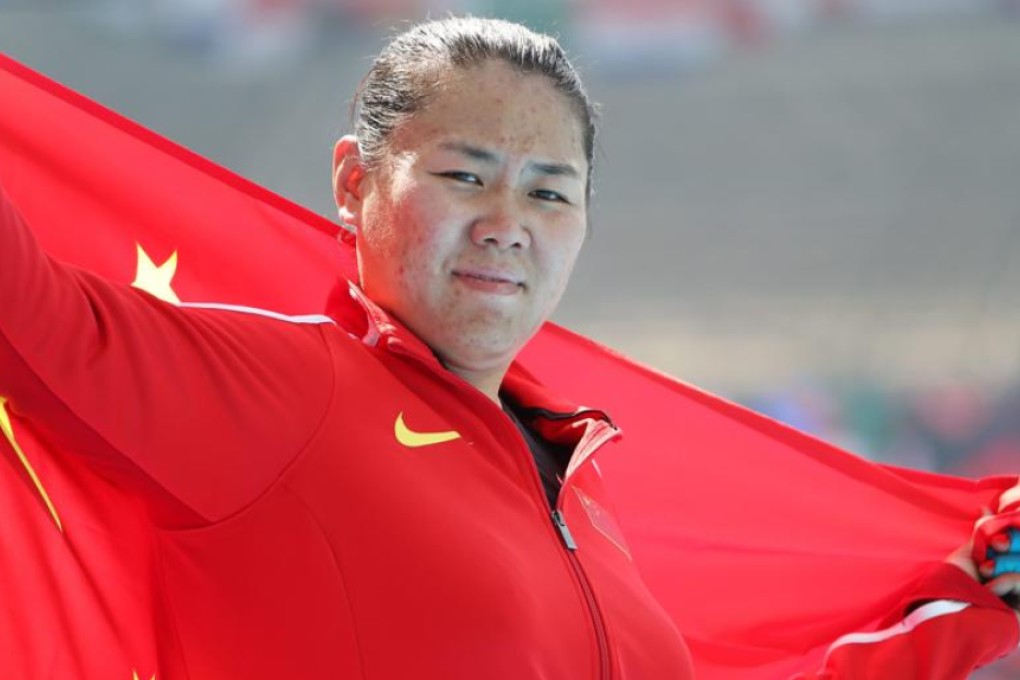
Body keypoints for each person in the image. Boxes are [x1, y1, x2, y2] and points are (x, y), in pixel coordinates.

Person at [1, 15, 1018, 680]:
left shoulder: (575, 483)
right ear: (354, 183)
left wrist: (977, 590)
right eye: (465, 175)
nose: (507, 223)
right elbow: (27, 319)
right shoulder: (280, 392)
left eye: (549, 191)